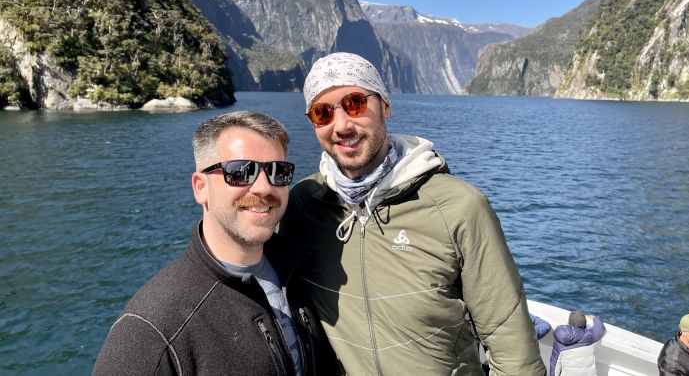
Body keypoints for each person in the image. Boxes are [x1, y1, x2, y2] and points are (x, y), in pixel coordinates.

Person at [279, 52, 545, 375]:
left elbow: (512, 347)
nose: (342, 125)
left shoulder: (459, 207)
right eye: (322, 113)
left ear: (385, 106)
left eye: (355, 103)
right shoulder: (303, 205)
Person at [94, 111, 336, 375]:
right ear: (201, 187)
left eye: (278, 171)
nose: (264, 187)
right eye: (241, 172)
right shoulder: (152, 331)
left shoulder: (300, 271)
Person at [549, 310, 606, 376]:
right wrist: (595, 318)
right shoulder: (590, 336)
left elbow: (555, 366)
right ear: (584, 324)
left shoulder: (561, 340)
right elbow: (600, 328)